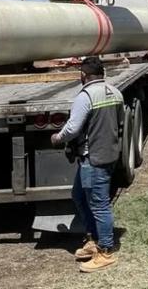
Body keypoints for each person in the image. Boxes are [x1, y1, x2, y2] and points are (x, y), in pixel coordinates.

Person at [51, 55, 123, 273]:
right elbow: (119, 122)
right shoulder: (116, 92)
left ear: (84, 75)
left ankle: (106, 251)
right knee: (79, 196)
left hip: (93, 158)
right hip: (108, 154)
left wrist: (57, 138)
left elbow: (72, 129)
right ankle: (94, 239)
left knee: (99, 205)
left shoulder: (85, 96)